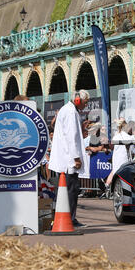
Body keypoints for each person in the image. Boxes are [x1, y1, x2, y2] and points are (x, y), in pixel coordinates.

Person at [49, 89, 90, 228]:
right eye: (85, 102)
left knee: (65, 190)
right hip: (69, 159)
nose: (86, 105)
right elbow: (72, 138)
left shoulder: (66, 109)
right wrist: (76, 158)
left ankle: (67, 217)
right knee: (72, 190)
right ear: (78, 100)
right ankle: (71, 218)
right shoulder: (71, 112)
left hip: (64, 157)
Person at [105, 119, 134, 194]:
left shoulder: (116, 136)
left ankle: (107, 187)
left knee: (114, 172)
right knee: (122, 176)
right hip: (123, 158)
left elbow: (111, 146)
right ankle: (119, 191)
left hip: (116, 157)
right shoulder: (127, 136)